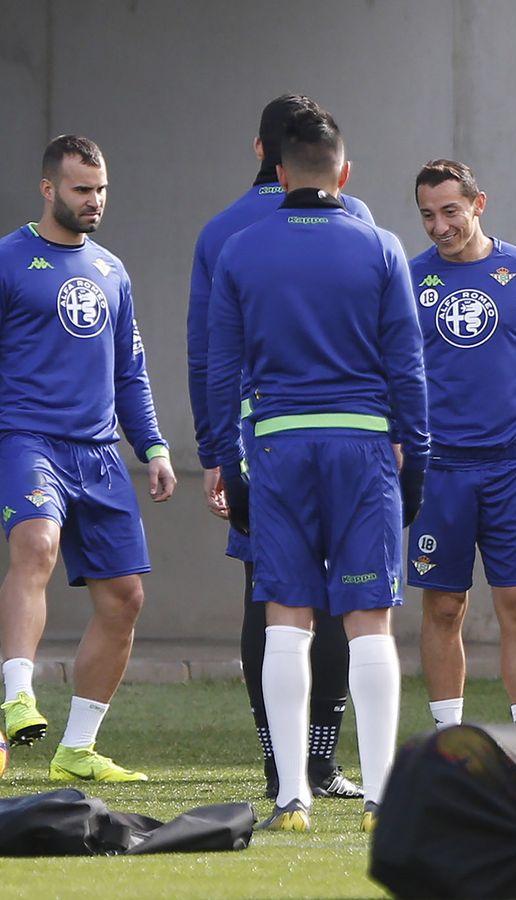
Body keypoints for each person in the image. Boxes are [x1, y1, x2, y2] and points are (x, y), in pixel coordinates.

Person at [207, 103, 427, 834]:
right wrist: (417, 461)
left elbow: (221, 371)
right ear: (345, 172)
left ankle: (292, 797)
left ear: (277, 169)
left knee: (286, 617)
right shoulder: (381, 247)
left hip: (278, 448)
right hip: (364, 450)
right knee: (370, 622)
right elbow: (408, 367)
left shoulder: (240, 249)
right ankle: (381, 798)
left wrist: (222, 460)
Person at [0, 135, 176, 784]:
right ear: (48, 189)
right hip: (28, 441)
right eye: (81, 189)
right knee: (37, 545)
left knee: (125, 599)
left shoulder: (112, 271)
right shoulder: (1, 264)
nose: (94, 200)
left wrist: (153, 447)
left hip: (100, 452)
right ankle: (18, 695)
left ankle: (77, 749)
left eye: (101, 189)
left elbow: (130, 372)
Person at [187, 94, 369, 801]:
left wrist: (213, 453)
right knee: (342, 595)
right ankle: (323, 762)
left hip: (259, 439)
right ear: (334, 163)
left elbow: (206, 355)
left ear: (261, 150)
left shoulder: (221, 232)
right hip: (348, 438)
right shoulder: (358, 220)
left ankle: (278, 766)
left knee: (265, 594)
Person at [408, 159, 516, 729]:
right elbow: (391, 372)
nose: (439, 227)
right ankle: (450, 740)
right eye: (428, 215)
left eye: (450, 211)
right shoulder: (410, 278)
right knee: (443, 606)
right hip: (438, 471)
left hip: (509, 468)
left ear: (478, 204)